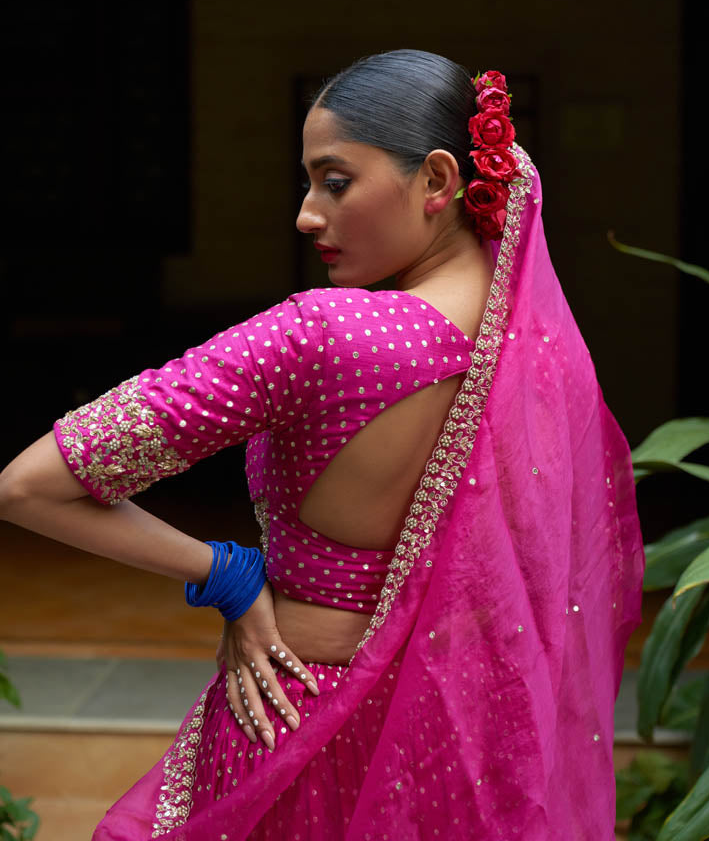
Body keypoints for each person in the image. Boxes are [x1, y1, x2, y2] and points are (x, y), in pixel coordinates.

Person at [0, 50, 644, 840]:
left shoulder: (323, 334)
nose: (307, 214)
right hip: (458, 748)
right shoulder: (543, 352)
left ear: (439, 181)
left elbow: (27, 486)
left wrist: (224, 572)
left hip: (293, 727)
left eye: (335, 182)